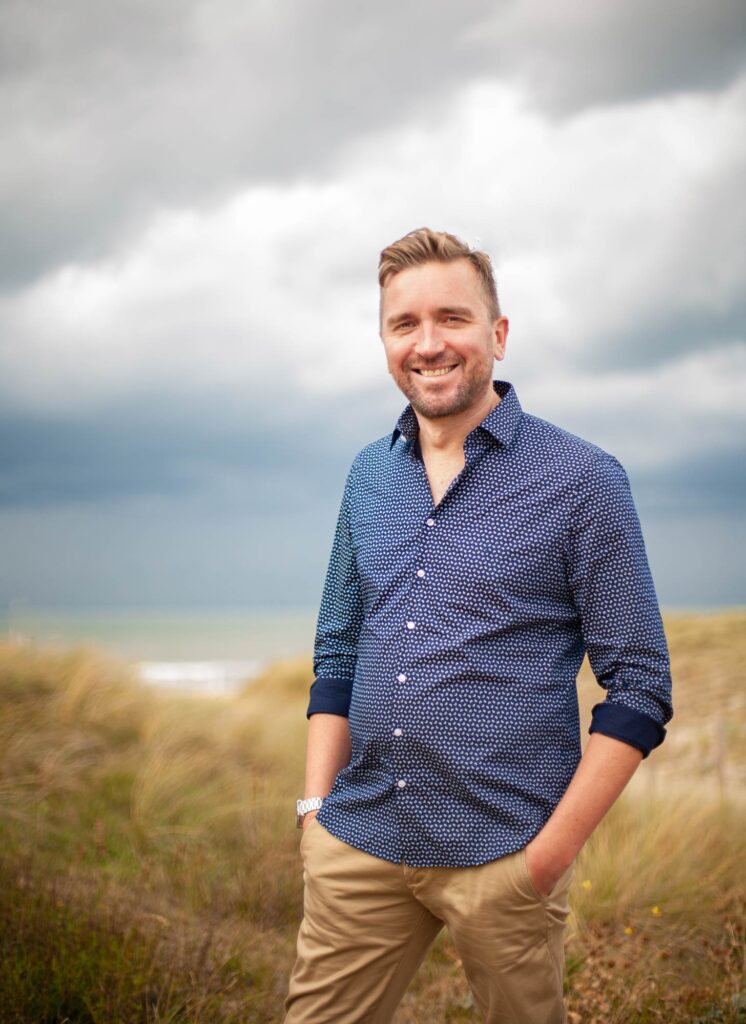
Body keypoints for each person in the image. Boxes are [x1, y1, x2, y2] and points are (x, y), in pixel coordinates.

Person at [284, 227, 673, 1024]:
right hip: (358, 839)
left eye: (452, 318)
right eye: (404, 324)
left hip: (506, 856)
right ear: (385, 342)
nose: (428, 344)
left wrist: (546, 859)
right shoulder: (368, 474)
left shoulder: (583, 480)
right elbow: (338, 650)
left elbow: (639, 687)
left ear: (497, 334)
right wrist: (315, 813)